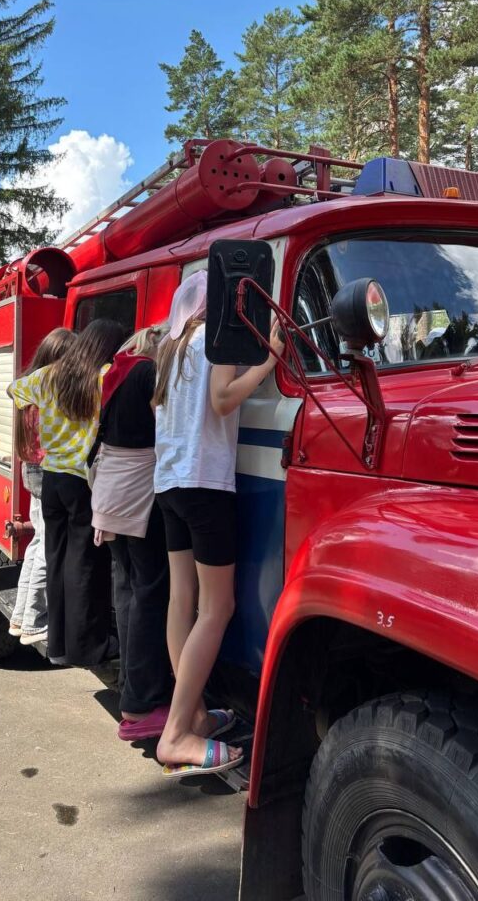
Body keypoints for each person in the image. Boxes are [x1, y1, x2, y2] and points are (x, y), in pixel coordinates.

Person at [153, 271, 284, 778]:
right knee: (218, 607)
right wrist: (269, 360)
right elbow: (223, 399)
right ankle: (176, 735)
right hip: (205, 483)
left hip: (170, 484)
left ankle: (195, 715)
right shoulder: (217, 337)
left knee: (181, 600)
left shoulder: (170, 347)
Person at [8, 319, 126, 667]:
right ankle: (87, 647)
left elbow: (13, 391)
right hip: (81, 481)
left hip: (52, 479)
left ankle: (58, 643)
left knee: (57, 559)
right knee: (84, 564)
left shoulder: (48, 375)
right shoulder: (102, 376)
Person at [89, 324, 173, 740]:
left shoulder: (115, 371)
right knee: (150, 594)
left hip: (111, 493)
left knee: (126, 589)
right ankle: (143, 700)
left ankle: (129, 685)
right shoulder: (147, 373)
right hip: (138, 494)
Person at [9, 328, 77, 645]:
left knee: (38, 544)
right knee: (48, 549)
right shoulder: (49, 390)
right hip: (45, 471)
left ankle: (21, 617)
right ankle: (35, 620)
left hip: (31, 468)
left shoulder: (30, 387)